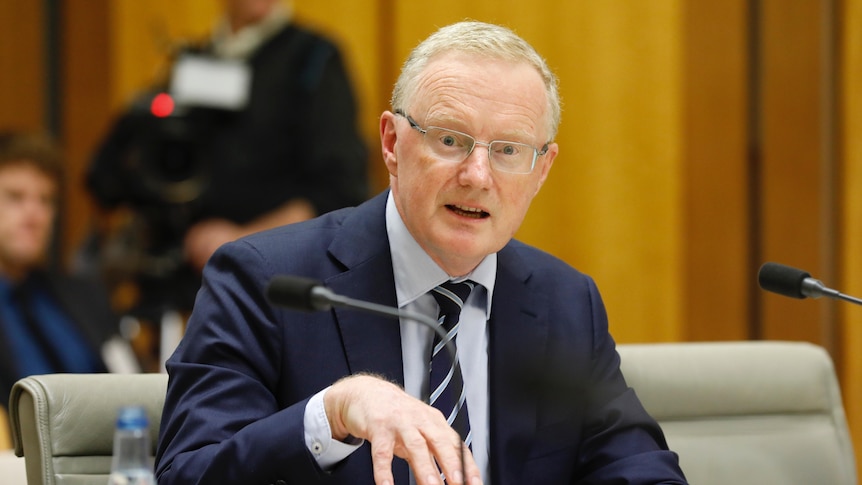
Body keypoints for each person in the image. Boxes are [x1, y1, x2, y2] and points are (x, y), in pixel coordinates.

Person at [155, 20, 687, 485]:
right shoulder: (267, 281)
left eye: (507, 151)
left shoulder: (565, 302)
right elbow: (188, 472)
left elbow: (638, 470)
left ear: (541, 169)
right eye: (450, 140)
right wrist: (330, 414)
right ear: (391, 143)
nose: (477, 176)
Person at [85, 0, 368, 314]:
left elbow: (340, 189)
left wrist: (241, 241)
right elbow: (109, 177)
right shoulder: (196, 60)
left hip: (278, 287)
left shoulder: (313, 60)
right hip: (185, 281)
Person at [0, 131, 138, 406]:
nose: (34, 215)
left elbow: (134, 379)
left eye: (46, 201)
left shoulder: (84, 295)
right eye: (15, 197)